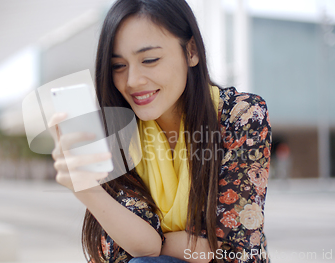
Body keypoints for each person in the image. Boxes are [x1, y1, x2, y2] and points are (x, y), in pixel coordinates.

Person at [48, 0, 271, 262]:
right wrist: (87, 189)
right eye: (119, 66)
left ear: (192, 51)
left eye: (150, 60)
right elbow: (115, 253)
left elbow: (235, 251)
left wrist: (155, 240)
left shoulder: (240, 115)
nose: (132, 81)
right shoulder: (119, 137)